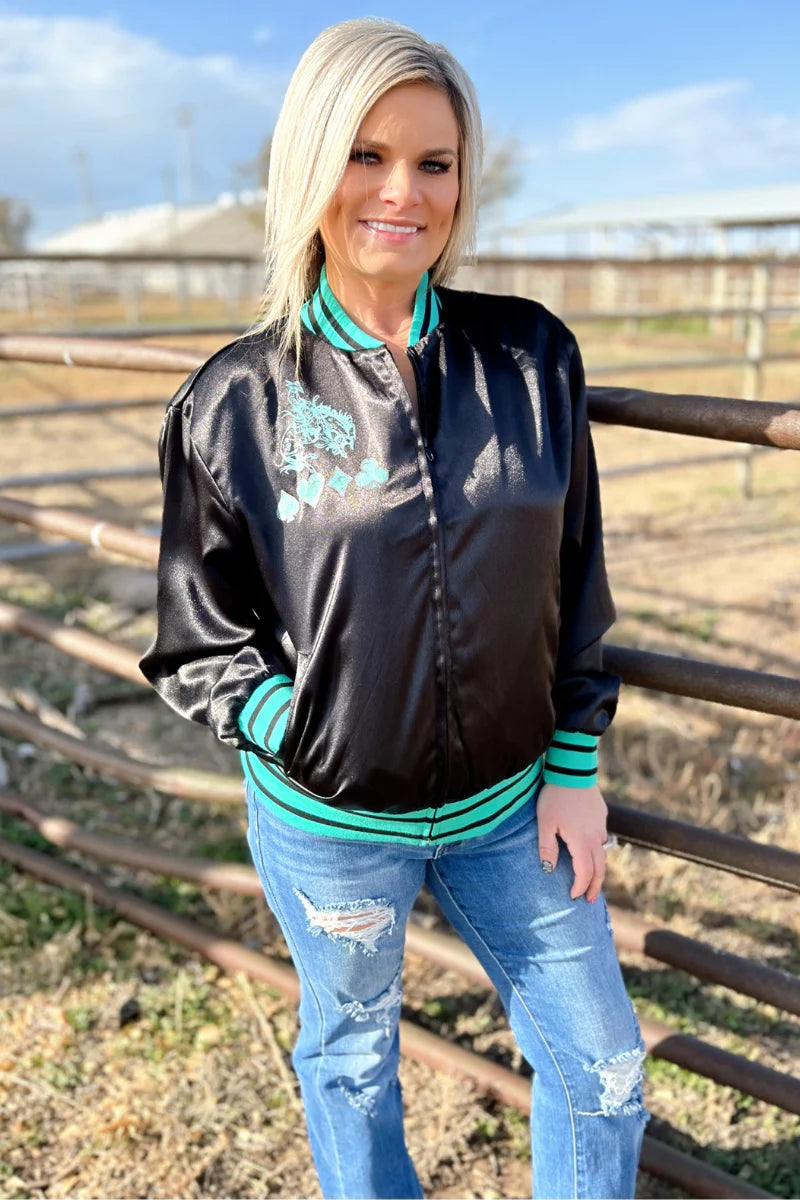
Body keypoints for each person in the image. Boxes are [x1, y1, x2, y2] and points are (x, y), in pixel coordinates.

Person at [139, 17, 649, 1199]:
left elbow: (574, 573)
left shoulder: (529, 358)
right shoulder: (238, 399)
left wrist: (574, 764)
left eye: (433, 162)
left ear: (463, 182)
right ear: (309, 166)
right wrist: (306, 729)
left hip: (512, 810)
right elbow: (195, 636)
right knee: (354, 1057)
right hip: (329, 824)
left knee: (603, 1069)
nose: (400, 192)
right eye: (364, 155)